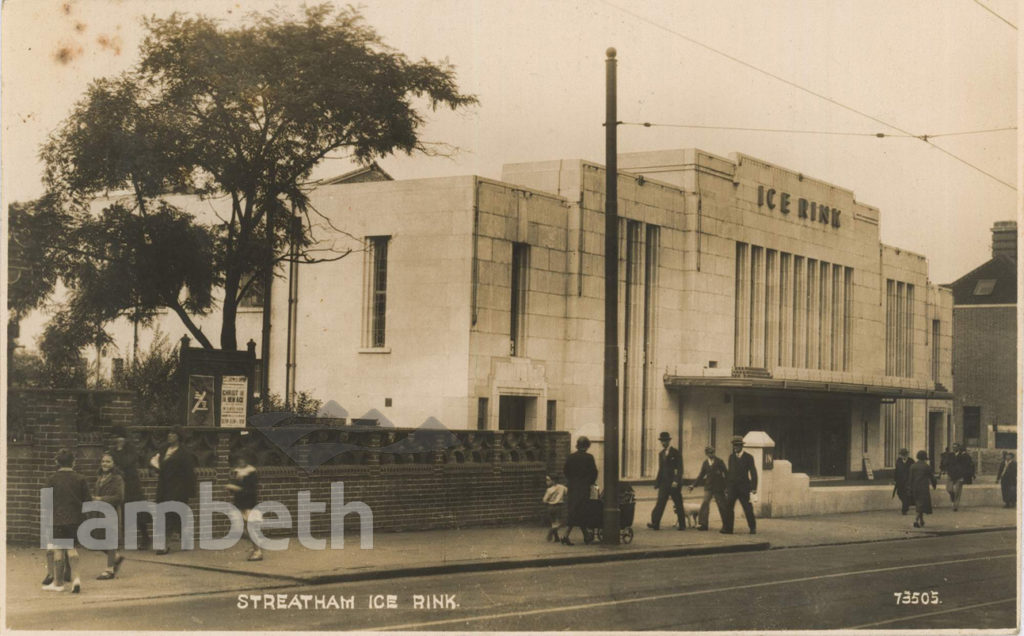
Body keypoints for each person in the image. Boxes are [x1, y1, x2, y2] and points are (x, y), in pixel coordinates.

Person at [42, 448, 90, 593]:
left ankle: (58, 583)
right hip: (76, 520)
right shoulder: (81, 479)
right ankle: (76, 579)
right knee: (71, 548)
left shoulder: (51, 479)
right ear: (74, 462)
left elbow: (46, 502)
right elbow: (87, 500)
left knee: (58, 551)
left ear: (57, 462)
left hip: (58, 520)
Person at [152, 426, 198, 554]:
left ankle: (164, 545)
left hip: (178, 489)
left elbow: (189, 473)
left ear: (178, 436)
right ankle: (186, 539)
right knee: (173, 516)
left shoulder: (184, 453)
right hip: (164, 487)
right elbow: (157, 463)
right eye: (169, 433)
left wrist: (190, 491)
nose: (170, 436)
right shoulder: (163, 449)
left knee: (171, 516)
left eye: (173, 433)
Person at [108, 425, 148, 549]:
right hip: (119, 484)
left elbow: (126, 462)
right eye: (114, 438)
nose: (116, 440)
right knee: (121, 511)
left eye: (119, 437)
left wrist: (119, 450)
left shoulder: (131, 449)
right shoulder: (113, 451)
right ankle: (122, 539)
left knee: (137, 512)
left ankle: (145, 537)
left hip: (132, 485)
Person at [93, 452, 126, 580]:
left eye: (108, 462)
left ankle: (109, 569)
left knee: (110, 540)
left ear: (113, 464)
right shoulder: (100, 477)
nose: (105, 464)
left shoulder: (117, 478)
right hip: (100, 513)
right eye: (103, 461)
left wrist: (100, 499)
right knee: (97, 541)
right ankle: (116, 558)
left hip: (111, 512)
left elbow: (119, 497)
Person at [226, 453, 262, 561]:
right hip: (240, 503)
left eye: (243, 459)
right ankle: (256, 546)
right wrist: (231, 488)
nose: (240, 462)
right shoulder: (237, 472)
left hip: (249, 503)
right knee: (242, 528)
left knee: (249, 528)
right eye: (239, 459)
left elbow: (250, 490)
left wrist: (236, 488)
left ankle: (257, 551)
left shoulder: (251, 473)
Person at [562, 436, 598, 546]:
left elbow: (565, 471)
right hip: (583, 488)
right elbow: (594, 472)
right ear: (587, 446)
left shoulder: (571, 457)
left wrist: (571, 480)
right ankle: (566, 536)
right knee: (581, 511)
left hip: (572, 487)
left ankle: (586, 536)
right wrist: (590, 482)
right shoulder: (589, 457)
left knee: (574, 510)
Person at [647, 431, 685, 531]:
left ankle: (682, 524)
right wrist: (657, 482)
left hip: (673, 483)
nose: (663, 443)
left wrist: (676, 481)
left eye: (665, 441)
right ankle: (655, 523)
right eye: (662, 441)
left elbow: (680, 468)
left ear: (669, 441)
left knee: (678, 503)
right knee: (660, 503)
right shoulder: (661, 454)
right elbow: (661, 469)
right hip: (664, 483)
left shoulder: (676, 453)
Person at [722, 436, 757, 535]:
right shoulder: (731, 457)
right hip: (732, 487)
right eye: (734, 445)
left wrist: (754, 487)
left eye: (737, 445)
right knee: (729, 507)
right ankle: (729, 529)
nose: (735, 447)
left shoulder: (748, 457)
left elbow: (753, 472)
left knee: (747, 508)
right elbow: (729, 474)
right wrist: (727, 487)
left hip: (744, 488)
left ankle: (752, 527)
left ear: (742, 446)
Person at [689, 445, 728, 531]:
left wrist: (727, 487)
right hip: (709, 487)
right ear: (706, 454)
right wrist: (693, 485)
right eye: (710, 453)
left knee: (722, 505)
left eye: (713, 452)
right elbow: (701, 475)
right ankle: (703, 524)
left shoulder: (719, 461)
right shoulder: (705, 463)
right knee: (705, 503)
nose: (712, 454)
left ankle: (726, 524)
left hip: (719, 487)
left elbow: (726, 473)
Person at [909, 450, 937, 528]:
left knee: (918, 504)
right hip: (923, 488)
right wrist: (934, 485)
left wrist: (910, 488)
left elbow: (910, 478)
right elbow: (932, 477)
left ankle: (921, 521)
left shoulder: (913, 466)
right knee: (921, 505)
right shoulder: (926, 466)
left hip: (915, 487)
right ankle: (916, 520)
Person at [946, 442, 975, 512]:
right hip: (951, 475)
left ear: (958, 448)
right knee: (949, 489)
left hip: (959, 476)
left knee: (957, 491)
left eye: (955, 447)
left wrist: (963, 476)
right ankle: (952, 498)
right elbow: (947, 464)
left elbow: (965, 467)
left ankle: (955, 506)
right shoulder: (950, 455)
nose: (954, 448)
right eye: (953, 447)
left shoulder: (963, 456)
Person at [542, 474, 568, 542]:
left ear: (553, 481)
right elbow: (567, 492)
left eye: (548, 480)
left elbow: (544, 500)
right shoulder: (562, 487)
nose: (546, 482)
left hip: (550, 507)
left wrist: (549, 501)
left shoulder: (549, 490)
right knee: (561, 522)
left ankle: (556, 537)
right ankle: (552, 531)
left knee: (553, 522)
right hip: (559, 506)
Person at [893, 448, 915, 515]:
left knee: (906, 495)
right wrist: (895, 480)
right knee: (899, 494)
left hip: (908, 482)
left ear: (907, 455)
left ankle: (904, 509)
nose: (903, 456)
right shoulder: (898, 461)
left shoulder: (911, 461)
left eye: (905, 455)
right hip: (900, 482)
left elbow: (914, 471)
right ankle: (906, 505)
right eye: (902, 455)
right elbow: (896, 471)